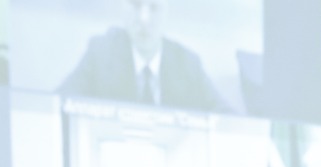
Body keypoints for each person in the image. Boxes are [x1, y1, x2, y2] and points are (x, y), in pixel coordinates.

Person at [59, 0, 226, 112]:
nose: (144, 19)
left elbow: (227, 120)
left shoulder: (188, 65)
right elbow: (58, 105)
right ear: (123, 8)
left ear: (167, 12)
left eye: (154, 7)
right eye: (136, 5)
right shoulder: (101, 54)